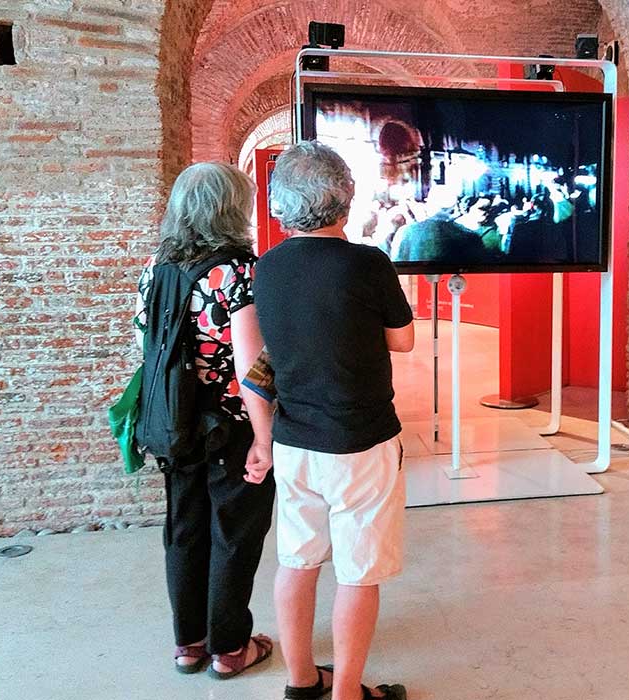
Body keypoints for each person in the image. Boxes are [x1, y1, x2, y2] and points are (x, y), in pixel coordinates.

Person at [246, 140, 414, 700]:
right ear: (346, 197)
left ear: (281, 205)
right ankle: (346, 693)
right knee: (358, 571)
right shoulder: (368, 264)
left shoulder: (267, 268)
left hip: (294, 441)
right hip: (361, 441)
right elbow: (405, 340)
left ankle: (300, 681)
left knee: (296, 560)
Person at [132, 162, 275, 679]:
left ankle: (189, 644)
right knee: (234, 532)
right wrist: (264, 438)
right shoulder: (238, 271)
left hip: (175, 420)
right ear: (231, 208)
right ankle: (231, 648)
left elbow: (148, 345)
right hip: (231, 421)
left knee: (184, 527)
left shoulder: (156, 266)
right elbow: (250, 366)